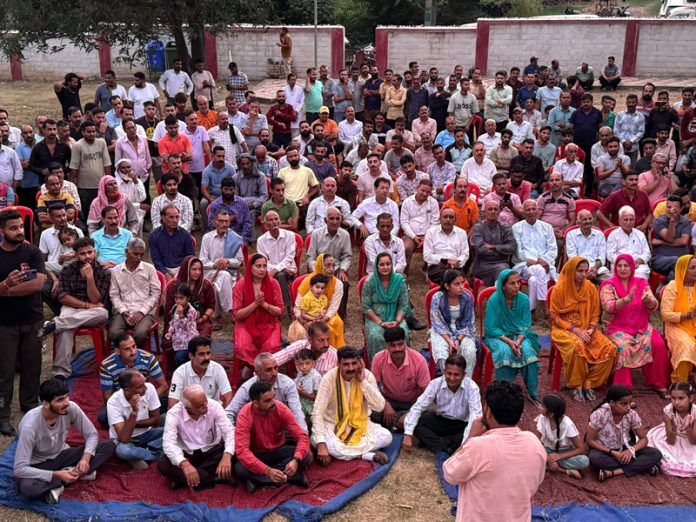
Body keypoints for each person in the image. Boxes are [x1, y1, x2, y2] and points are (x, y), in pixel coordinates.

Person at [443, 380, 546, 522]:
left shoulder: (478, 446)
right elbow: (535, 482)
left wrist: (471, 437)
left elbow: (449, 473)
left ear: (488, 412)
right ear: (519, 412)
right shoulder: (535, 443)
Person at [14, 378, 115, 504]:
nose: (66, 402)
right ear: (45, 404)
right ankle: (68, 478)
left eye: (67, 397)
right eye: (60, 400)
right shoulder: (30, 426)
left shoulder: (71, 408)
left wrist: (85, 459)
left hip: (63, 454)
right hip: (40, 464)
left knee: (109, 445)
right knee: (28, 487)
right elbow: (19, 468)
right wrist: (57, 474)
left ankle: (67, 476)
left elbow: (92, 434)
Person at [0, 211, 47, 436]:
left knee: (32, 367)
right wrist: (5, 285)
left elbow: (37, 285)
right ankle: (2, 414)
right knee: (5, 372)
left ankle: (30, 407)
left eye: (20, 226)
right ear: (2, 231)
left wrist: (5, 289)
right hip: (4, 324)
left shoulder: (32, 252)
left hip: (32, 320)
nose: (19, 231)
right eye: (13, 228)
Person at [39, 238, 110, 379]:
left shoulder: (103, 271)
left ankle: (55, 324)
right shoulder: (68, 269)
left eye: (90, 252)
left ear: (95, 252)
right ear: (76, 255)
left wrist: (90, 277)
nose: (87, 256)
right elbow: (63, 297)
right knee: (66, 330)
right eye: (83, 254)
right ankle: (61, 373)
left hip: (93, 312)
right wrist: (86, 305)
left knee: (104, 314)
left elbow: (96, 299)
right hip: (71, 307)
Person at [599, 254, 669, 396]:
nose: (623, 269)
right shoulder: (608, 285)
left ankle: (659, 383)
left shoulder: (641, 283)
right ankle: (623, 391)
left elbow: (654, 306)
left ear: (632, 268)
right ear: (615, 267)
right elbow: (608, 306)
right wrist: (626, 300)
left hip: (641, 326)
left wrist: (648, 301)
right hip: (617, 328)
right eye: (619, 266)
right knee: (624, 349)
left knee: (658, 344)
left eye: (626, 266)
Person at [550, 256, 617, 403]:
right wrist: (575, 330)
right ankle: (575, 384)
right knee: (577, 346)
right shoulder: (560, 288)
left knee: (610, 348)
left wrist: (592, 328)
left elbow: (595, 313)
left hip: (587, 328)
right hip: (564, 329)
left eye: (586, 271)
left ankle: (589, 383)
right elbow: (554, 316)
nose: (583, 274)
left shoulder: (590, 287)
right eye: (580, 271)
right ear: (571, 271)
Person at [312, 346, 392, 465]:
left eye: (354, 363)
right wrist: (321, 443)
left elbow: (379, 407)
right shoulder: (329, 378)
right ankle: (366, 455)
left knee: (387, 437)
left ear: (359, 363)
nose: (351, 368)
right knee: (317, 441)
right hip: (332, 425)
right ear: (338, 363)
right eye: (346, 364)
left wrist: (362, 382)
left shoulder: (367, 376)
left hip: (361, 425)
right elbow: (317, 412)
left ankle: (344, 454)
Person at [234, 380, 311, 492]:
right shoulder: (244, 415)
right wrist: (267, 470)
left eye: (273, 398)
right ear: (256, 403)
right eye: (268, 401)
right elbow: (242, 451)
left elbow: (302, 436)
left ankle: (259, 480)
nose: (273, 403)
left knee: (305, 456)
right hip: (257, 454)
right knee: (239, 467)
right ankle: (289, 478)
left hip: (278, 450)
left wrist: (295, 460)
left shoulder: (280, 408)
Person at [158, 384, 235, 490]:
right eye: (200, 405)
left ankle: (188, 479)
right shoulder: (174, 414)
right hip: (188, 454)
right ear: (187, 408)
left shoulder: (214, 406)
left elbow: (229, 431)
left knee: (235, 454)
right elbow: (168, 443)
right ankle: (214, 478)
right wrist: (184, 464)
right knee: (163, 464)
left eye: (205, 401)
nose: (206, 406)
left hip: (212, 451)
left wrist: (227, 456)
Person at [484, 269, 541, 401]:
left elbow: (526, 325)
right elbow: (491, 328)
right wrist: (510, 342)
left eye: (518, 282)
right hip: (498, 336)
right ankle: (503, 393)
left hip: (519, 335)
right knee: (504, 352)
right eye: (512, 283)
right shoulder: (494, 300)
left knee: (528, 352)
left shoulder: (524, 299)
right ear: (503, 286)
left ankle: (533, 393)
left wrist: (518, 341)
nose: (517, 286)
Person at [587, 384, 662, 480]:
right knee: (595, 459)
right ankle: (643, 467)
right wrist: (612, 452)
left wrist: (631, 451)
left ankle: (613, 472)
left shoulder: (631, 414)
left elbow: (643, 439)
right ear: (612, 403)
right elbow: (590, 441)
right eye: (624, 404)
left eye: (630, 403)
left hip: (626, 446)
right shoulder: (600, 415)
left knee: (655, 454)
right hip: (605, 450)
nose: (628, 407)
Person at [98, 333, 167, 427]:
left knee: (171, 400)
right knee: (103, 417)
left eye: (134, 346)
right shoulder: (107, 365)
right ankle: (142, 420)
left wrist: (147, 400)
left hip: (145, 396)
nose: (133, 351)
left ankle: (131, 422)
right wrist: (128, 405)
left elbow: (163, 385)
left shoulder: (148, 358)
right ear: (117, 351)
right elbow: (107, 395)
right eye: (127, 349)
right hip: (122, 401)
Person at [225, 352, 307, 431]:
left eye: (276, 368)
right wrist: (233, 436)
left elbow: (297, 412)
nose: (274, 373)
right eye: (269, 370)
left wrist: (303, 435)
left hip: (281, 430)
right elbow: (229, 412)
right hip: (255, 430)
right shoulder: (247, 387)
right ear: (257, 372)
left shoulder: (288, 384)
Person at [370, 327, 429, 431]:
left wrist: (410, 413)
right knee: (368, 412)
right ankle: (400, 423)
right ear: (386, 345)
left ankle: (394, 422)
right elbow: (374, 387)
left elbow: (427, 394)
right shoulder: (378, 358)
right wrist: (385, 404)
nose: (397, 349)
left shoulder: (419, 360)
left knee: (427, 417)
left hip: (412, 403)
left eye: (400, 344)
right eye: (392, 345)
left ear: (405, 342)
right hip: (388, 400)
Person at [233, 254, 284, 369]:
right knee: (243, 347)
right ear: (250, 268)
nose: (262, 270)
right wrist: (255, 304)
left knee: (272, 346)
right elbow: (237, 315)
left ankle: (259, 369)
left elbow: (280, 311)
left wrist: (264, 305)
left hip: (269, 323)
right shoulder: (240, 286)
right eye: (258, 266)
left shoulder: (273, 283)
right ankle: (253, 367)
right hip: (246, 323)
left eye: (264, 266)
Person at [108, 238, 160, 347]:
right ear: (127, 252)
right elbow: (114, 294)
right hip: (123, 310)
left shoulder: (149, 269)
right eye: (135, 254)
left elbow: (155, 293)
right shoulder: (116, 270)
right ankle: (125, 354)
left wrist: (141, 312)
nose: (139, 258)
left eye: (141, 255)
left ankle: (132, 355)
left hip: (145, 311)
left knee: (140, 334)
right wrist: (123, 311)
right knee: (113, 333)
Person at [107, 369, 163, 468]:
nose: (145, 388)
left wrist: (131, 424)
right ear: (127, 390)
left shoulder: (149, 388)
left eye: (145, 382)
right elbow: (124, 438)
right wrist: (133, 412)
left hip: (147, 433)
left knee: (175, 431)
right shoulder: (113, 402)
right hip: (126, 441)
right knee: (122, 451)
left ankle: (143, 452)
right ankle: (156, 454)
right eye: (140, 387)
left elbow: (156, 419)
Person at [512, 199, 557, 320]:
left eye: (533, 209)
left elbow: (553, 249)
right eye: (528, 209)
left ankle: (531, 311)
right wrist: (532, 260)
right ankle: (545, 305)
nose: (531, 212)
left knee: (533, 280)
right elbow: (518, 250)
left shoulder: (546, 227)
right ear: (523, 211)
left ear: (538, 211)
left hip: (544, 265)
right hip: (524, 265)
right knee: (538, 270)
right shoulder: (516, 228)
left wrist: (544, 260)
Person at [362, 252, 411, 362]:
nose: (385, 267)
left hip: (396, 318)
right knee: (376, 337)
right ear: (376, 266)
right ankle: (378, 367)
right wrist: (381, 322)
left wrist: (397, 321)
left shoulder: (399, 281)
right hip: (375, 319)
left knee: (404, 334)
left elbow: (403, 305)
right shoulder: (370, 282)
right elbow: (366, 307)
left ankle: (402, 365)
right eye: (382, 264)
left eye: (388, 264)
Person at [199, 210, 244, 328]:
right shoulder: (207, 238)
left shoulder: (234, 238)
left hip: (230, 272)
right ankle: (232, 311)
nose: (224, 224)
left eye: (227, 222)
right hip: (209, 272)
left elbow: (239, 261)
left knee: (221, 278)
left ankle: (217, 316)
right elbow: (202, 261)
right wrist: (215, 265)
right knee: (218, 280)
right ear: (215, 222)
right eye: (221, 221)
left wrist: (227, 261)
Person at [531, 394, 590, 479]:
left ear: (551, 414)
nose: (539, 407)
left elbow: (581, 449)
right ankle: (562, 470)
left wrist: (559, 456)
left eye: (542, 406)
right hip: (547, 450)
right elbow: (537, 441)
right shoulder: (542, 418)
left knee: (584, 461)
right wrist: (549, 458)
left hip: (564, 452)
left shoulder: (567, 425)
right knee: (530, 454)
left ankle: (550, 465)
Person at [294, 254, 346, 348]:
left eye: (333, 265)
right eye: (328, 265)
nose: (331, 269)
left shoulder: (338, 284)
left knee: (336, 323)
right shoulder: (308, 282)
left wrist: (322, 319)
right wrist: (304, 322)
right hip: (307, 315)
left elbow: (333, 307)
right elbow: (298, 307)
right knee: (307, 330)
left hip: (327, 315)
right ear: (320, 265)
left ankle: (333, 356)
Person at [647, 381, 696, 477]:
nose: (676, 402)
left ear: (690, 398)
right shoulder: (668, 410)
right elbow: (670, 441)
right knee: (664, 459)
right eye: (673, 398)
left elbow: (693, 441)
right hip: (673, 437)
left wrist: (689, 429)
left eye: (681, 398)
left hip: (690, 439)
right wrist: (673, 427)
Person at [168, 337, 232, 408]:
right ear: (191, 356)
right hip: (188, 413)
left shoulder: (217, 369)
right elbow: (173, 402)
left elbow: (228, 396)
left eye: (208, 353)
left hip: (212, 412)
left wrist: (225, 415)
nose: (206, 358)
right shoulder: (180, 373)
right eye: (201, 354)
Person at [661, 255, 696, 383]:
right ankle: (680, 384)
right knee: (687, 346)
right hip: (676, 326)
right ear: (682, 270)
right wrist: (687, 315)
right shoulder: (673, 286)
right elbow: (665, 315)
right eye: (692, 268)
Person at [163, 256, 215, 337]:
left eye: (200, 269)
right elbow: (169, 311)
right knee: (172, 342)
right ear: (186, 269)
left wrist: (202, 319)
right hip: (177, 322)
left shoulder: (206, 285)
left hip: (200, 322)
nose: (197, 272)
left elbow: (211, 306)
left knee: (199, 343)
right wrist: (181, 316)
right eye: (194, 269)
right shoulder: (173, 286)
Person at [68, 120, 112, 214]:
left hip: (100, 185)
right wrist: (72, 185)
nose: (92, 134)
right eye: (89, 132)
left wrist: (109, 181)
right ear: (83, 132)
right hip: (84, 186)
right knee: (87, 210)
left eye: (93, 131)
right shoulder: (78, 146)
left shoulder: (101, 143)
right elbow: (74, 167)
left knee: (102, 210)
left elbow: (106, 163)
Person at [469, 200, 515, 286]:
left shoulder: (505, 227)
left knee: (504, 271)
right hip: (483, 264)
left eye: (495, 209)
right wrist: (502, 252)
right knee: (503, 271)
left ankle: (499, 295)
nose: (493, 212)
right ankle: (499, 296)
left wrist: (493, 246)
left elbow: (511, 247)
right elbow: (480, 250)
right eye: (490, 209)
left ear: (499, 212)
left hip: (502, 263)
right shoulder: (478, 227)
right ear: (484, 213)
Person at [400, 179, 439, 274]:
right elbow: (404, 222)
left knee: (436, 246)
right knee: (406, 247)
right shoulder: (407, 202)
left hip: (428, 234)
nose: (425, 194)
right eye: (422, 190)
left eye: (428, 192)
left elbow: (435, 222)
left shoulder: (433, 203)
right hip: (410, 235)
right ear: (417, 188)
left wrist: (427, 237)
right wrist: (414, 237)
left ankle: (428, 269)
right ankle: (403, 273)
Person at [423, 207, 469, 285]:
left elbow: (465, 254)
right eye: (445, 217)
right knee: (454, 277)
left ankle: (447, 290)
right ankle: (452, 289)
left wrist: (458, 262)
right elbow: (427, 256)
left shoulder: (462, 233)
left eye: (451, 217)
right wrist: (445, 261)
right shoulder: (431, 232)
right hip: (437, 267)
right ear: (440, 219)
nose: (448, 219)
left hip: (455, 267)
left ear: (455, 220)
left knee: (453, 275)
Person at [274, 320, 338, 376]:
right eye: (321, 340)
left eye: (328, 339)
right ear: (310, 340)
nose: (326, 344)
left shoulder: (335, 356)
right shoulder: (300, 345)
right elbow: (276, 359)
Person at [651, 194, 691, 279]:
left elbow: (684, 241)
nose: (671, 210)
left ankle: (669, 289)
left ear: (680, 209)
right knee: (678, 261)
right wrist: (672, 222)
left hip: (682, 258)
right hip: (661, 259)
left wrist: (661, 242)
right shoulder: (658, 221)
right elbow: (669, 238)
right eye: (669, 207)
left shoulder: (686, 222)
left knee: (674, 272)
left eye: (675, 208)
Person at [148, 204, 195, 277]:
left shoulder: (185, 234)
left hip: (181, 268)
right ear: (163, 218)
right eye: (171, 217)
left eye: (177, 217)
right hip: (162, 268)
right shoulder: (154, 235)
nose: (175, 220)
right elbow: (156, 259)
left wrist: (183, 271)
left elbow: (190, 256)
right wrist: (165, 273)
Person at [606, 205, 651, 280]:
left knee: (641, 275)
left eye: (631, 219)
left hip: (638, 266)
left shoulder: (640, 234)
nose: (629, 222)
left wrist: (639, 261)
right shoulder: (613, 235)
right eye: (626, 220)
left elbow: (647, 253)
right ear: (619, 221)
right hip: (620, 265)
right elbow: (610, 254)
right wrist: (624, 263)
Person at [565, 209, 608, 283]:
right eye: (585, 219)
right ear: (578, 222)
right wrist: (585, 271)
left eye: (590, 218)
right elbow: (573, 258)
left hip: (598, 269)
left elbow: (602, 257)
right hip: (578, 269)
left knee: (610, 282)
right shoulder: (571, 235)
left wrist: (594, 268)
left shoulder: (599, 235)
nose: (588, 221)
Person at [207, 176, 253, 244]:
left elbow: (248, 223)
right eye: (226, 189)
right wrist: (225, 220)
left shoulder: (241, 202)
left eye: (231, 189)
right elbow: (211, 224)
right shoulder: (215, 205)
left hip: (239, 236)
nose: (228, 192)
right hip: (221, 237)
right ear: (221, 189)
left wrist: (242, 241)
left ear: (235, 189)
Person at [165, 283, 200, 367]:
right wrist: (170, 332)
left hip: (188, 341)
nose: (178, 301)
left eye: (181, 298)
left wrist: (181, 315)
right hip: (177, 340)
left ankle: (186, 371)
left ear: (188, 298)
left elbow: (186, 327)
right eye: (176, 298)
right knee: (175, 356)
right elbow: (173, 322)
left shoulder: (191, 311)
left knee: (179, 358)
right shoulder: (175, 307)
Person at [293, 349, 322, 418]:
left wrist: (303, 393)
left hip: (311, 409)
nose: (304, 367)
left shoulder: (315, 377)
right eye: (301, 364)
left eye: (307, 363)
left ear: (313, 363)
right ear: (297, 363)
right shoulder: (300, 374)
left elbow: (317, 398)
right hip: (301, 406)